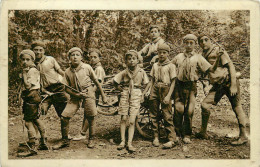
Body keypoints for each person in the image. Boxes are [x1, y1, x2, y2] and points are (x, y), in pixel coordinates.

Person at [196, 34, 248, 145]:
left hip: (229, 82)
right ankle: (203, 132)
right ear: (199, 44)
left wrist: (233, 85)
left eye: (206, 40)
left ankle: (243, 136)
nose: (204, 42)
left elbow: (231, 67)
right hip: (217, 86)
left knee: (237, 107)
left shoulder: (219, 51)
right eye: (201, 41)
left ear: (210, 41)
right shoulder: (202, 55)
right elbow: (204, 72)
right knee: (205, 105)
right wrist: (205, 84)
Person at [53, 47, 107, 149]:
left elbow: (96, 82)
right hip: (75, 96)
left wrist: (103, 96)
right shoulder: (67, 72)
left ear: (81, 57)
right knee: (64, 117)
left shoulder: (87, 67)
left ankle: (91, 139)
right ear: (69, 58)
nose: (75, 57)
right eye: (72, 55)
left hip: (88, 93)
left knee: (91, 117)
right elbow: (66, 88)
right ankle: (64, 140)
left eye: (77, 55)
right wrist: (76, 95)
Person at [172, 34, 221, 144]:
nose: (189, 45)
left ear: (195, 44)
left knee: (189, 111)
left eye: (191, 43)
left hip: (191, 86)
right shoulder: (179, 56)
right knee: (178, 109)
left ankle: (187, 134)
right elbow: (168, 66)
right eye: (187, 43)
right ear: (183, 44)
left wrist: (218, 60)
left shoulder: (198, 57)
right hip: (179, 85)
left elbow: (210, 69)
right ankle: (177, 133)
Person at [113, 50, 149, 152]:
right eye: (129, 59)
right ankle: (122, 141)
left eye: (134, 59)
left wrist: (143, 94)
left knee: (132, 120)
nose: (131, 61)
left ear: (137, 60)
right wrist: (121, 90)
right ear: (126, 61)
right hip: (125, 93)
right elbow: (115, 82)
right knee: (124, 118)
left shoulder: (141, 72)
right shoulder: (124, 72)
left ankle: (129, 143)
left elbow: (147, 84)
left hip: (136, 93)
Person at [144, 43, 177, 149]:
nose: (162, 55)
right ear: (157, 53)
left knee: (167, 113)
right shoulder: (155, 65)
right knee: (153, 113)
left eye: (164, 53)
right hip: (155, 88)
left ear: (168, 53)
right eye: (160, 53)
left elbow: (173, 82)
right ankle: (156, 137)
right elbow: (152, 80)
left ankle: (171, 139)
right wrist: (148, 90)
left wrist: (168, 96)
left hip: (165, 89)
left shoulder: (171, 66)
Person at [17, 50, 48, 157]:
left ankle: (32, 146)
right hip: (32, 97)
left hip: (32, 97)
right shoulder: (30, 69)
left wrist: (24, 74)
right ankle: (43, 142)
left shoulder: (32, 71)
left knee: (28, 122)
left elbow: (28, 86)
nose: (25, 62)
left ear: (32, 60)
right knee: (36, 119)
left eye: (28, 60)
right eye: (23, 59)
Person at [73, 48, 106, 141]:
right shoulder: (92, 68)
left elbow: (97, 83)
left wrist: (91, 93)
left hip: (93, 93)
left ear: (99, 58)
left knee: (90, 114)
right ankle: (83, 132)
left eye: (95, 57)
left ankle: (83, 133)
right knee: (87, 113)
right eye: (91, 57)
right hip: (88, 92)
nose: (93, 59)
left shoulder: (99, 69)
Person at [32, 41, 67, 118]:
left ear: (44, 51)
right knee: (38, 113)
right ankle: (40, 130)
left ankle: (64, 129)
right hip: (44, 91)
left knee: (63, 115)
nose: (38, 52)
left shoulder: (50, 59)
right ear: (32, 51)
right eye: (36, 50)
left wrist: (69, 81)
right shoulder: (31, 63)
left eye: (40, 50)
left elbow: (60, 71)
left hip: (58, 87)